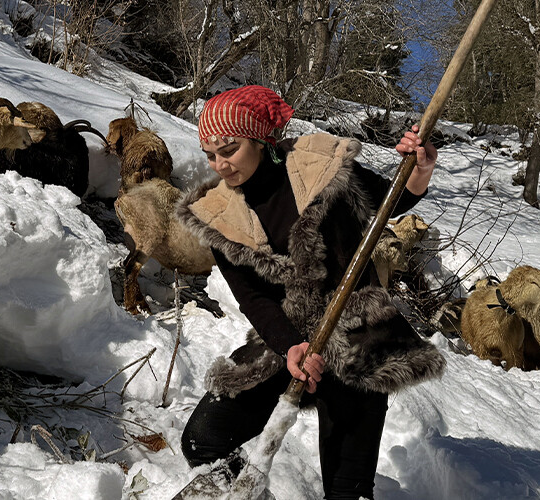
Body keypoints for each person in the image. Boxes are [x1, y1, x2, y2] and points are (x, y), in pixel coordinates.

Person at [176, 85, 446, 499]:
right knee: (203, 440)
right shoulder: (217, 214)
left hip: (358, 331)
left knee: (347, 490)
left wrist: (420, 168)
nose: (220, 164)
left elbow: (390, 201)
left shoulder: (320, 165)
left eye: (229, 149)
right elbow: (254, 298)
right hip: (285, 337)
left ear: (260, 140)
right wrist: (290, 347)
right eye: (210, 155)